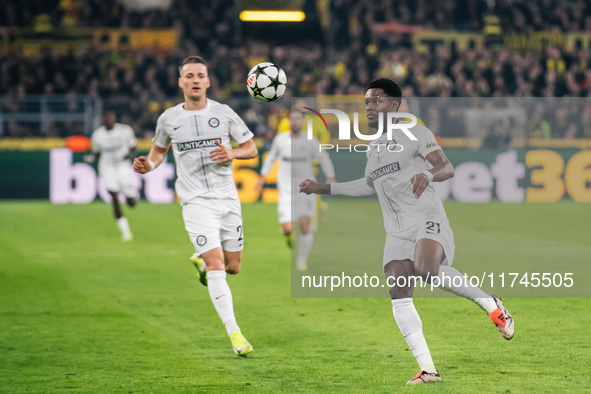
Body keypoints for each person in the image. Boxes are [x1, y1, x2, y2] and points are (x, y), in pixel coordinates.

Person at [299, 78, 514, 384]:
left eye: (376, 101)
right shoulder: (373, 148)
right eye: (367, 103)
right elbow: (366, 185)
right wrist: (322, 188)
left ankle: (491, 304)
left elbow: (446, 166)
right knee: (399, 294)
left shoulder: (415, 132)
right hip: (396, 232)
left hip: (427, 217)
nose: (370, 108)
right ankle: (428, 370)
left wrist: (427, 173)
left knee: (427, 268)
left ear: (394, 105)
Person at [133, 56, 258, 357]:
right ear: (181, 82)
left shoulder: (224, 113)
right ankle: (235, 333)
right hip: (195, 201)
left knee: (233, 267)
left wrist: (232, 152)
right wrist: (148, 164)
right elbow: (158, 151)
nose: (196, 80)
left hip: (227, 199)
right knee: (218, 265)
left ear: (208, 81)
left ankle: (202, 265)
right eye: (189, 76)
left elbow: (251, 148)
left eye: (200, 75)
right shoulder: (169, 119)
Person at [255, 110, 336, 271]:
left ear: (303, 121)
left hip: (306, 191)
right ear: (288, 121)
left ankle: (301, 260)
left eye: (298, 119)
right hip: (286, 191)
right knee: (288, 229)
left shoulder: (310, 141)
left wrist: (330, 176)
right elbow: (271, 157)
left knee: (305, 225)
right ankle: (289, 237)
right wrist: (263, 176)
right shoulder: (281, 140)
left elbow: (323, 158)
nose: (295, 122)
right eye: (292, 119)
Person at [85, 110, 137, 241]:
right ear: (103, 120)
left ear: (115, 119)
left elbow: (133, 147)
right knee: (114, 196)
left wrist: (129, 156)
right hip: (107, 167)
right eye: (107, 118)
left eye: (112, 118)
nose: (109, 120)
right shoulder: (97, 135)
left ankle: (129, 195)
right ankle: (125, 232)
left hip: (123, 166)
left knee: (131, 202)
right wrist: (91, 158)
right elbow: (97, 152)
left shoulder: (125, 131)